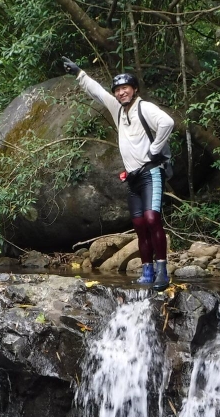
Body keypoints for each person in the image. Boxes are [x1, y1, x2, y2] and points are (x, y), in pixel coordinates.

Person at [62, 57, 174, 288]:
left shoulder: (145, 107)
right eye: (118, 90)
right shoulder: (118, 110)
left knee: (152, 219)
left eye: (126, 88)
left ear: (134, 90)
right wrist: (79, 73)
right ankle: (147, 271)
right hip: (133, 178)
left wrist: (154, 149)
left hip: (150, 172)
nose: (121, 93)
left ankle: (162, 270)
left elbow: (167, 122)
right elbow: (99, 93)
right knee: (140, 226)